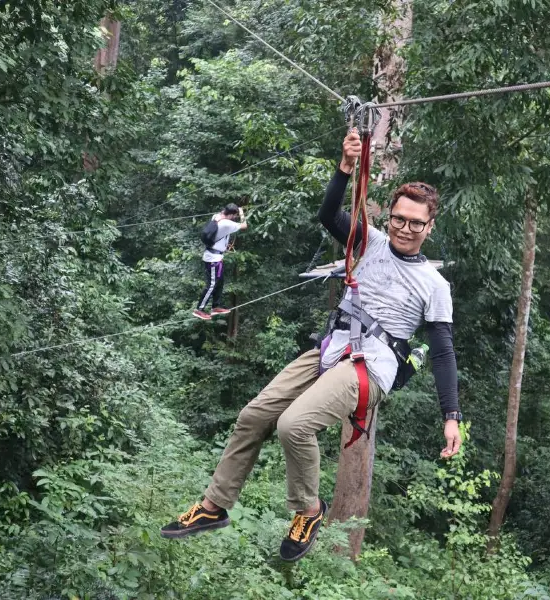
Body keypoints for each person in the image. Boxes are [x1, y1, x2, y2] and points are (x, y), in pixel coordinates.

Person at [162, 130, 462, 562]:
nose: (405, 228)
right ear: (391, 217)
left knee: (294, 425)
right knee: (254, 416)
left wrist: (450, 416)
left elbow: (442, 352)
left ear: (429, 227)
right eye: (398, 218)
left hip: (371, 367)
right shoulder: (371, 241)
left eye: (416, 223)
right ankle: (214, 506)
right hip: (332, 348)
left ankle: (309, 510)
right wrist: (344, 168)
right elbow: (328, 214)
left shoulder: (434, 286)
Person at [194, 203, 247, 320]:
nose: (235, 218)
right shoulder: (226, 223)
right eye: (234, 215)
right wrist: (242, 212)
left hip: (216, 257)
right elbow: (244, 225)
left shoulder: (216, 217)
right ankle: (199, 309)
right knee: (212, 284)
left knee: (220, 282)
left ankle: (216, 306)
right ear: (232, 214)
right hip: (213, 259)